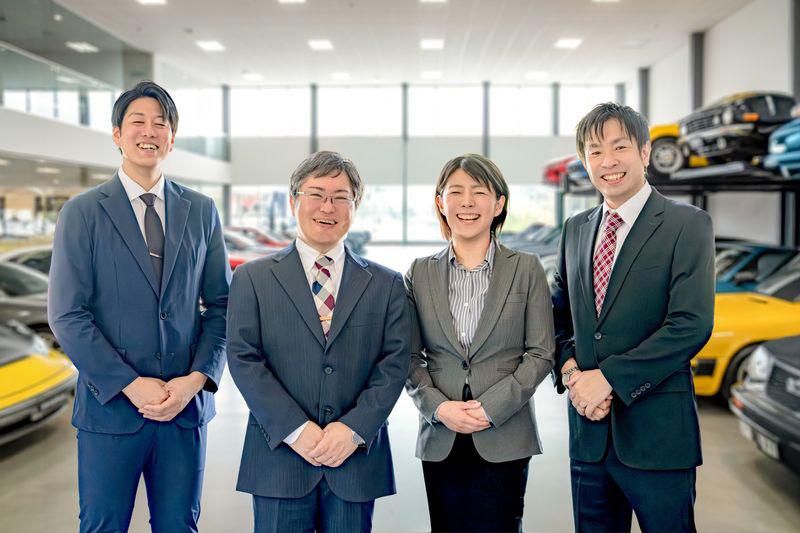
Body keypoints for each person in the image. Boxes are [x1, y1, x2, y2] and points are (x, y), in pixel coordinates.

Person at [48, 80, 230, 532]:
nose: (149, 131)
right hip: (111, 410)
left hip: (183, 409)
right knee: (103, 525)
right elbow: (67, 314)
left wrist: (195, 381)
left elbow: (222, 306)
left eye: (160, 123)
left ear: (172, 137)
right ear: (117, 134)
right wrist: (130, 384)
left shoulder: (202, 210)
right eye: (137, 121)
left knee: (179, 525)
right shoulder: (83, 212)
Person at [551, 102, 715, 532]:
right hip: (589, 435)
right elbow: (557, 318)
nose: (608, 161)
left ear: (644, 152)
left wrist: (608, 378)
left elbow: (690, 324)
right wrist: (572, 374)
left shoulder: (687, 224)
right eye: (595, 151)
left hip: (658, 436)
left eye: (619, 147)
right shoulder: (575, 229)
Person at [226, 151, 410, 533]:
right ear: (293, 201)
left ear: (355, 206)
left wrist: (353, 429)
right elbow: (244, 359)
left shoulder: (387, 284)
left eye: (341, 197)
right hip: (279, 458)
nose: (328, 207)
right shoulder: (253, 279)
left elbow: (394, 363)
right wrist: (296, 429)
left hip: (354, 460)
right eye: (316, 194)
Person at [405, 154, 555, 533]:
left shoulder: (526, 268)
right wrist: (438, 407)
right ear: (441, 202)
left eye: (479, 192)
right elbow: (407, 356)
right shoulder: (419, 272)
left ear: (499, 203)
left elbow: (541, 353)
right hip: (441, 434)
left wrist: (490, 408)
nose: (467, 202)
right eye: (455, 192)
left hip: (505, 432)